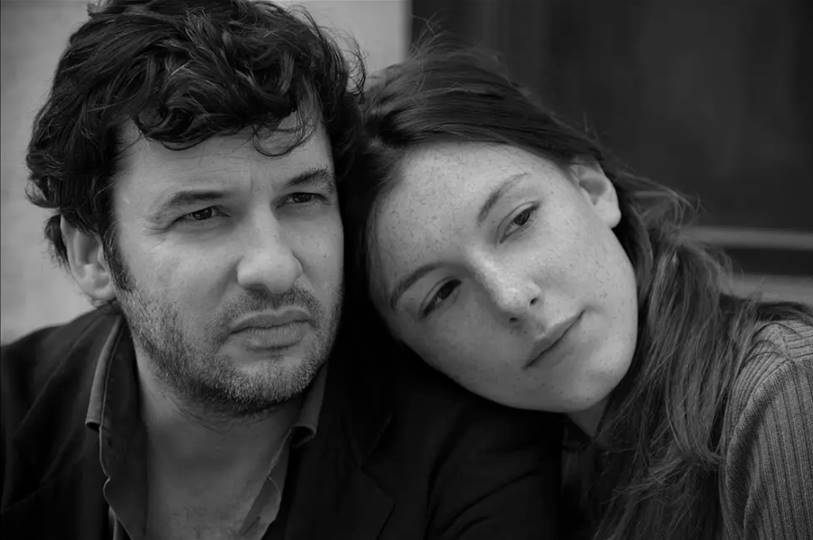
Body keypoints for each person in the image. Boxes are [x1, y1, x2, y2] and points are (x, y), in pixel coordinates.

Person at [0, 4, 562, 539]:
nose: (275, 267)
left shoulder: (466, 447)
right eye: (203, 214)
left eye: (302, 199)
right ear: (94, 256)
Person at [342, 42, 813, 540]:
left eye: (519, 220)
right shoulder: (515, 486)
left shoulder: (798, 392)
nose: (511, 298)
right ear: (412, 351)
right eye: (442, 294)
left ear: (592, 187)